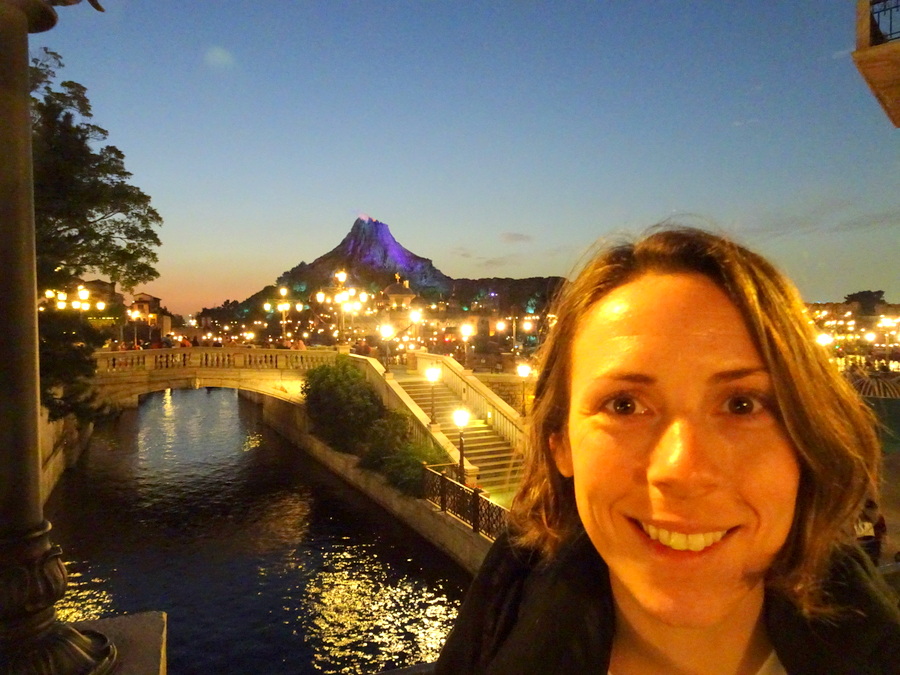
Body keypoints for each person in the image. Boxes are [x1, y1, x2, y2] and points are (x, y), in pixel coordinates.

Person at [436, 226, 900, 674]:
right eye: (624, 405)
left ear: (808, 439)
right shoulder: (492, 635)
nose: (682, 469)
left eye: (742, 405)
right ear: (560, 444)